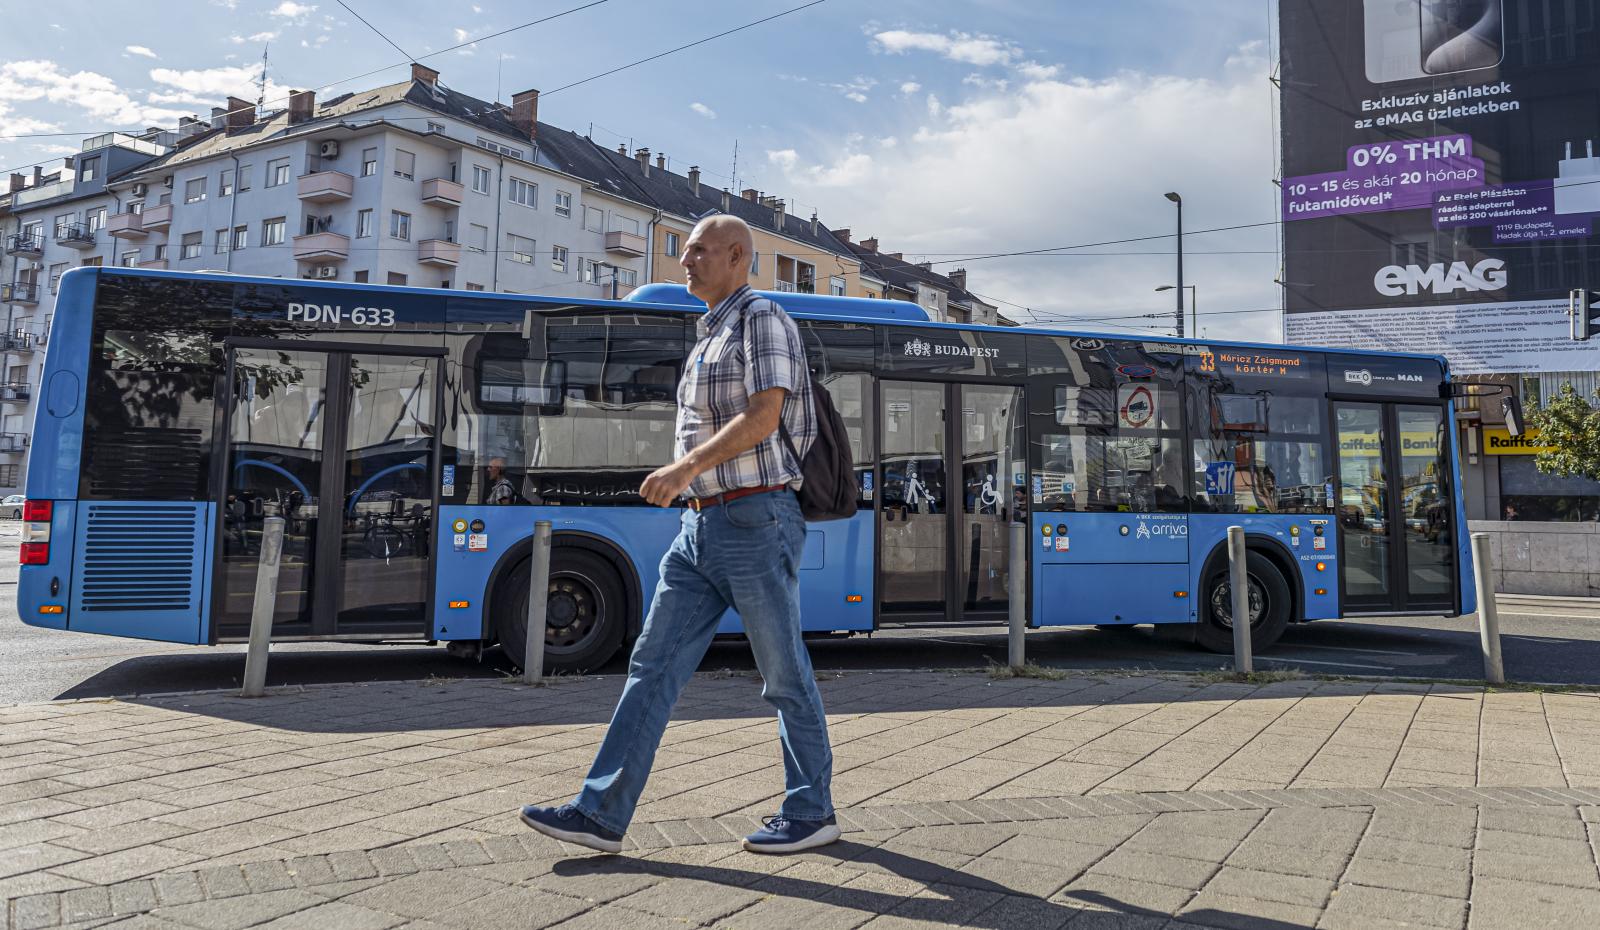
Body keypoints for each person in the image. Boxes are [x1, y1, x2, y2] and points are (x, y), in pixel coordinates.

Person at [519, 214, 838, 855]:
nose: (684, 262)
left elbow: (765, 414)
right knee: (651, 666)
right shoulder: (708, 332)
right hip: (700, 525)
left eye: (696, 252)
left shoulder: (762, 317)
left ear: (737, 256)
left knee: (782, 673)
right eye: (685, 252)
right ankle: (600, 812)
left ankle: (812, 811)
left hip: (755, 518)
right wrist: (691, 486)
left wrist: (686, 467)